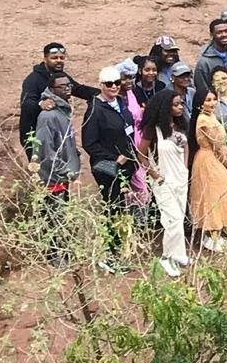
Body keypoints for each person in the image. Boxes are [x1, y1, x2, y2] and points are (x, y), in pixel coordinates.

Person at [81, 66, 138, 269]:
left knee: (122, 208)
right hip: (108, 169)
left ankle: (121, 250)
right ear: (101, 85)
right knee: (113, 208)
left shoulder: (120, 102)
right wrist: (115, 158)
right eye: (109, 84)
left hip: (126, 167)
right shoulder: (95, 109)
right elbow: (89, 143)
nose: (113, 87)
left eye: (116, 83)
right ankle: (110, 255)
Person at [139, 88, 190, 277]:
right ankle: (167, 258)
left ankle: (179, 254)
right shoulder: (153, 130)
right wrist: (154, 174)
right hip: (164, 180)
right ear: (165, 107)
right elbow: (141, 154)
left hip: (181, 178)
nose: (180, 108)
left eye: (181, 104)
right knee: (172, 220)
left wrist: (185, 167)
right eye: (175, 104)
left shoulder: (181, 125)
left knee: (180, 216)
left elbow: (186, 147)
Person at [19, 42, 96, 158]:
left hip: (58, 130)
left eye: (61, 58)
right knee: (44, 169)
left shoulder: (60, 76)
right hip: (36, 135)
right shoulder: (33, 79)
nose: (59, 60)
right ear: (45, 58)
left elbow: (77, 89)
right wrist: (40, 104)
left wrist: (100, 93)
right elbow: (26, 102)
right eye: (54, 58)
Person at [34, 72, 80, 261]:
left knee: (63, 215)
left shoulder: (62, 111)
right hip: (54, 177)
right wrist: (65, 171)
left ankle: (64, 253)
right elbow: (46, 152)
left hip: (64, 175)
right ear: (52, 90)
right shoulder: (48, 116)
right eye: (63, 87)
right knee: (54, 216)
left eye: (69, 85)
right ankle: (55, 257)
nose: (68, 89)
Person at [189, 87, 227, 253]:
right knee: (212, 196)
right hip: (209, 160)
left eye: (213, 99)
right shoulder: (204, 121)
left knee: (219, 193)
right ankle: (211, 236)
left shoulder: (210, 117)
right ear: (200, 103)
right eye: (208, 100)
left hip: (212, 158)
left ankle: (216, 234)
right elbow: (217, 146)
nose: (212, 103)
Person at [116, 60, 152, 210]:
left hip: (139, 140)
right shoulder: (115, 98)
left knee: (144, 183)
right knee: (132, 185)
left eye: (131, 77)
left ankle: (142, 221)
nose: (129, 81)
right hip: (125, 143)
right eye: (124, 78)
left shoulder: (131, 93)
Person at [195, 18, 227, 93]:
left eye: (226, 31)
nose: (224, 35)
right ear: (212, 34)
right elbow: (202, 89)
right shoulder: (204, 62)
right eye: (219, 32)